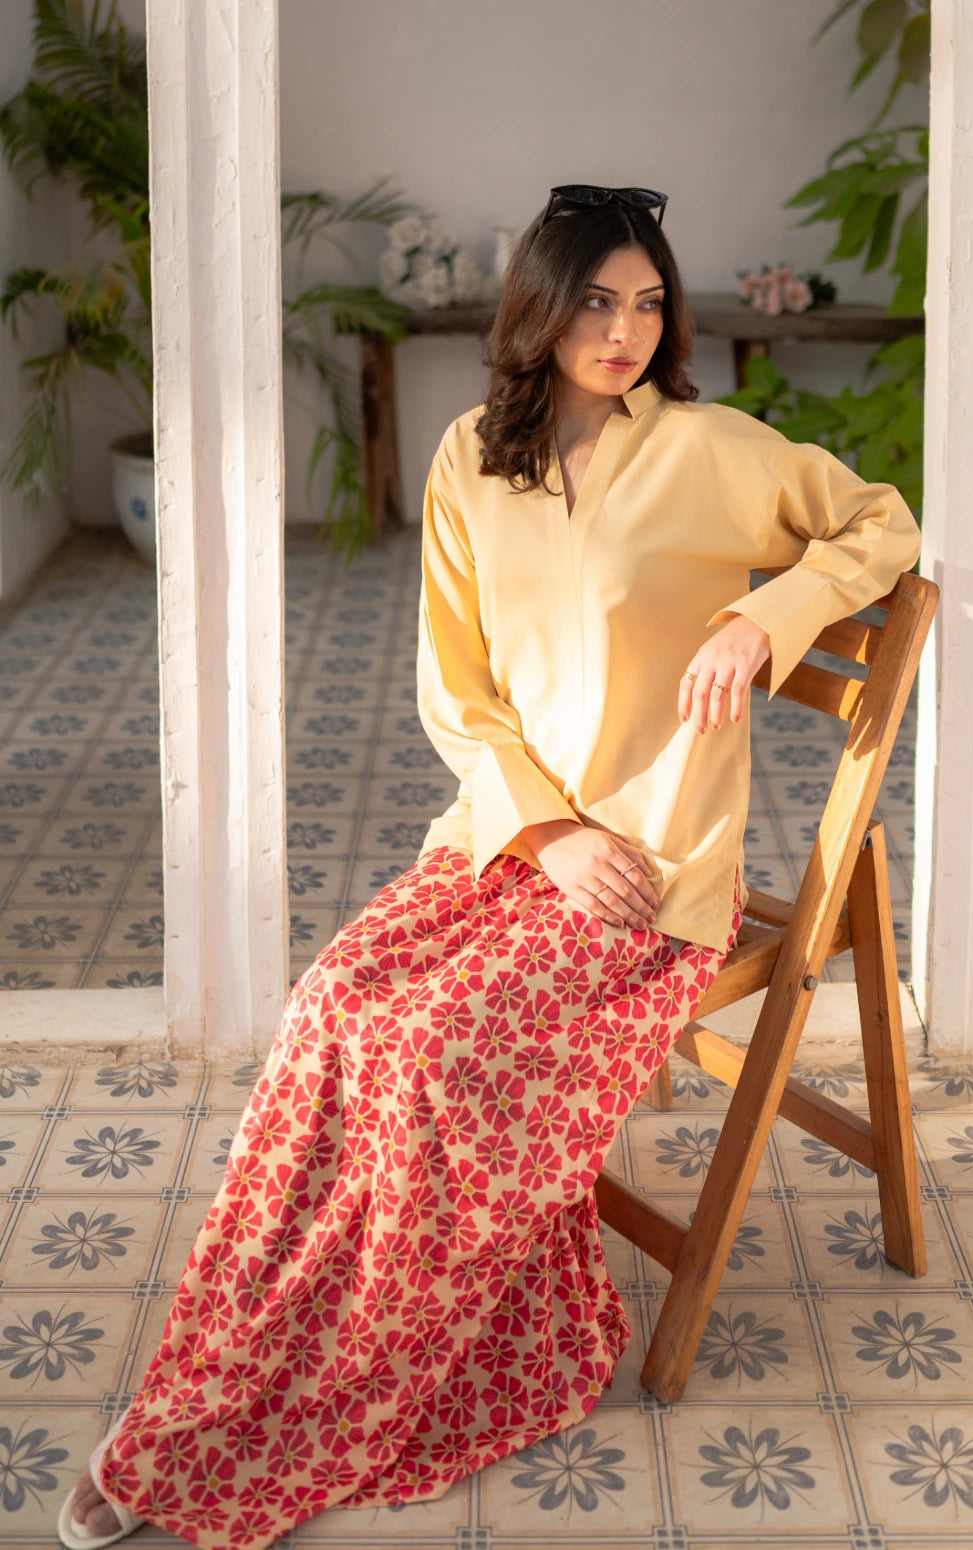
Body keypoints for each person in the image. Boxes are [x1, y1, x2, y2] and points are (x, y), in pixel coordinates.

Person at [60, 183, 920, 1550]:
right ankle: (212, 1384)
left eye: (647, 301)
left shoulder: (711, 449)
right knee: (335, 1010)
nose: (625, 327)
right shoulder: (470, 455)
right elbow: (454, 693)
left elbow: (883, 525)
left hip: (651, 874)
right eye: (595, 297)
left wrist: (767, 615)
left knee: (422, 1058)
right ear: (538, 304)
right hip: (509, 840)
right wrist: (546, 829)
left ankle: (298, 1402)